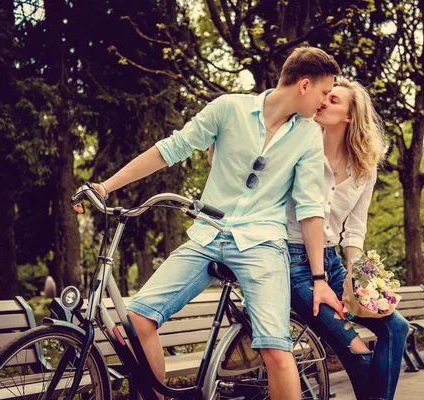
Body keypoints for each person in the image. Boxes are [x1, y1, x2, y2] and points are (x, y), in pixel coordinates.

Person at [75, 47, 343, 400]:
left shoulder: (308, 135)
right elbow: (171, 149)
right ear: (305, 85)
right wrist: (105, 186)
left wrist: (320, 277)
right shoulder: (229, 108)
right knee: (138, 319)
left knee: (276, 350)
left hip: (262, 245)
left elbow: (309, 208)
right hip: (208, 235)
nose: (324, 103)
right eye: (325, 92)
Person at [286, 79, 409, 400]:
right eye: (324, 95)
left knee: (396, 328)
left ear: (350, 117)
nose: (324, 100)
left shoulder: (364, 170)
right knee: (358, 352)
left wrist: (358, 280)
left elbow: (354, 231)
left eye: (334, 99)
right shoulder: (299, 147)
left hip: (334, 263)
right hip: (295, 265)